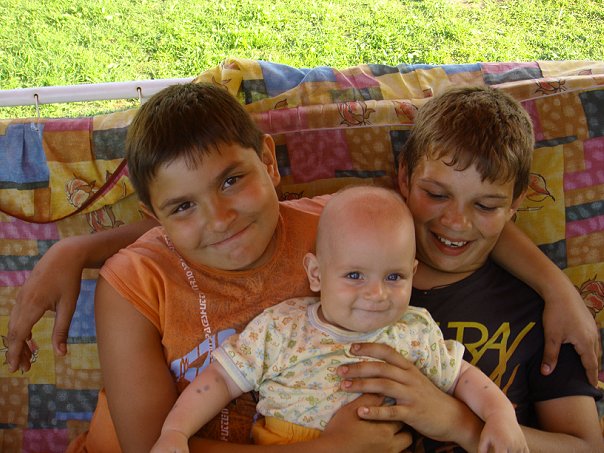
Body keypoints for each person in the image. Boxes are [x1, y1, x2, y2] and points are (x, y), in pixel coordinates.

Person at [4, 83, 599, 452]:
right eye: (182, 207)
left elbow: (454, 218)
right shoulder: (136, 282)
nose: (220, 218)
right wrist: (77, 248)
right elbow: (151, 445)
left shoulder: (338, 228)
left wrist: (556, 288)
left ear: (269, 164)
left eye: (233, 181)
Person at [150, 185, 528, 453]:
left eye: (394, 277)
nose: (376, 294)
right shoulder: (282, 327)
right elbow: (219, 380)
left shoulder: (413, 332)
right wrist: (175, 431)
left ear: (413, 273)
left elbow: (462, 376)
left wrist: (500, 416)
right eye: (354, 275)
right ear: (316, 274)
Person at [333, 86, 604, 452]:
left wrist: (457, 423)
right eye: (436, 194)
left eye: (486, 206)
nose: (456, 222)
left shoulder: (543, 314)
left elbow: (586, 447)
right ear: (404, 177)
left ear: (515, 204)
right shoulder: (350, 274)